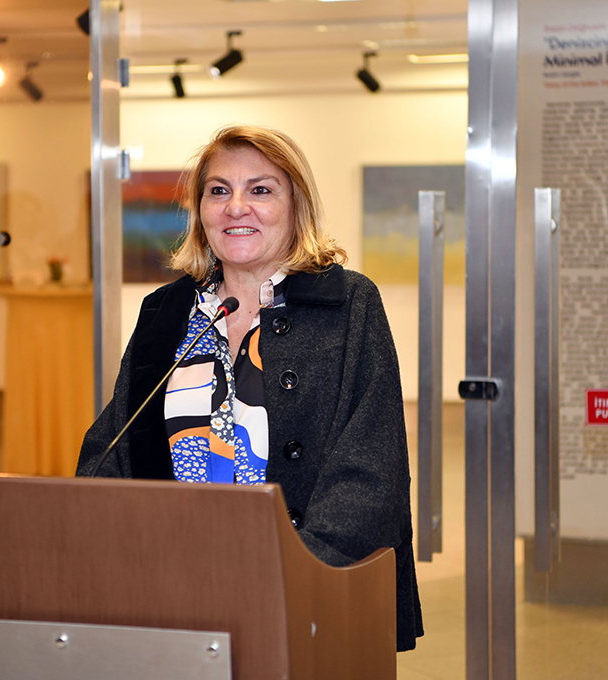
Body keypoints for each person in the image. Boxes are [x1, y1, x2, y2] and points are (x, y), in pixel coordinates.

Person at [76, 124, 423, 651]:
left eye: (260, 189)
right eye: (219, 190)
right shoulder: (165, 311)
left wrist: (297, 578)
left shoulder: (349, 305)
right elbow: (113, 450)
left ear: (296, 205)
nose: (236, 206)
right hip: (168, 594)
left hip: (305, 599)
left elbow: (372, 470)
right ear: (200, 211)